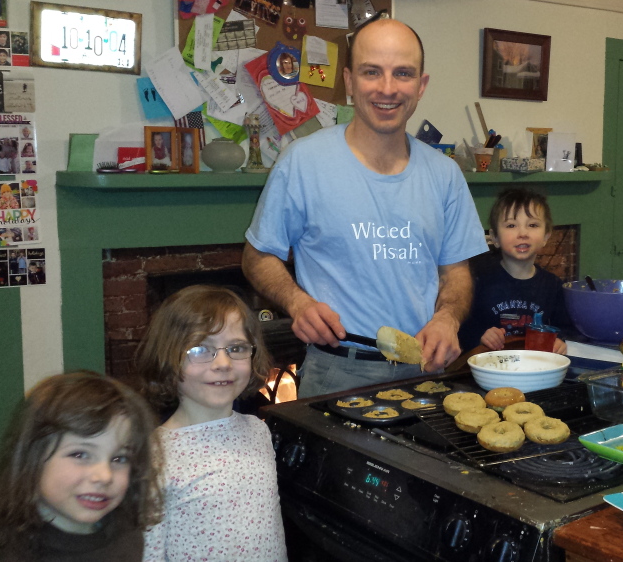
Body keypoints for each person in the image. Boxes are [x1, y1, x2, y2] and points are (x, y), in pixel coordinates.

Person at [242, 19, 488, 398]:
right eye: (371, 72)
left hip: (423, 368)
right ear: (350, 81)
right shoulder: (303, 162)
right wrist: (297, 302)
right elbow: (257, 257)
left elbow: (456, 272)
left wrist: (447, 318)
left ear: (421, 86)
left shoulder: (445, 173)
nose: (387, 88)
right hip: (337, 370)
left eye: (402, 73)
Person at [133, 285, 288, 561]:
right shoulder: (154, 457)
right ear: (168, 357)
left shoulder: (258, 430)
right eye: (200, 349)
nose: (223, 363)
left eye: (237, 348)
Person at [0, 371, 161, 561]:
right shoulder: (26, 553)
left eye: (119, 459)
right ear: (33, 460)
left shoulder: (125, 530)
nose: (104, 476)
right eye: (80, 454)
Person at [458, 188, 571, 355]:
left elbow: (565, 327)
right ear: (494, 237)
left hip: (535, 367)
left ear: (546, 237)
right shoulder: (478, 281)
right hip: (487, 368)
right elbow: (460, 327)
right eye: (511, 225)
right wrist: (480, 335)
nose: (523, 233)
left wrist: (560, 340)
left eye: (532, 225)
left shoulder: (553, 286)